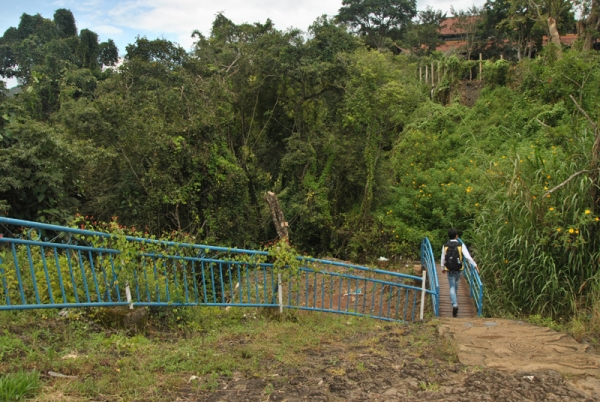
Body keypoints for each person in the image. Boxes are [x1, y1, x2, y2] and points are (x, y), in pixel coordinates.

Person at [441, 228, 478, 317]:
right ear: (456, 235)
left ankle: (454, 304)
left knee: (452, 287)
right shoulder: (460, 245)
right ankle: (454, 300)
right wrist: (475, 265)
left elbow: (443, 257)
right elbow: (467, 256)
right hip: (459, 269)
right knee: (456, 285)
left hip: (449, 269)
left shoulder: (445, 245)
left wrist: (442, 268)